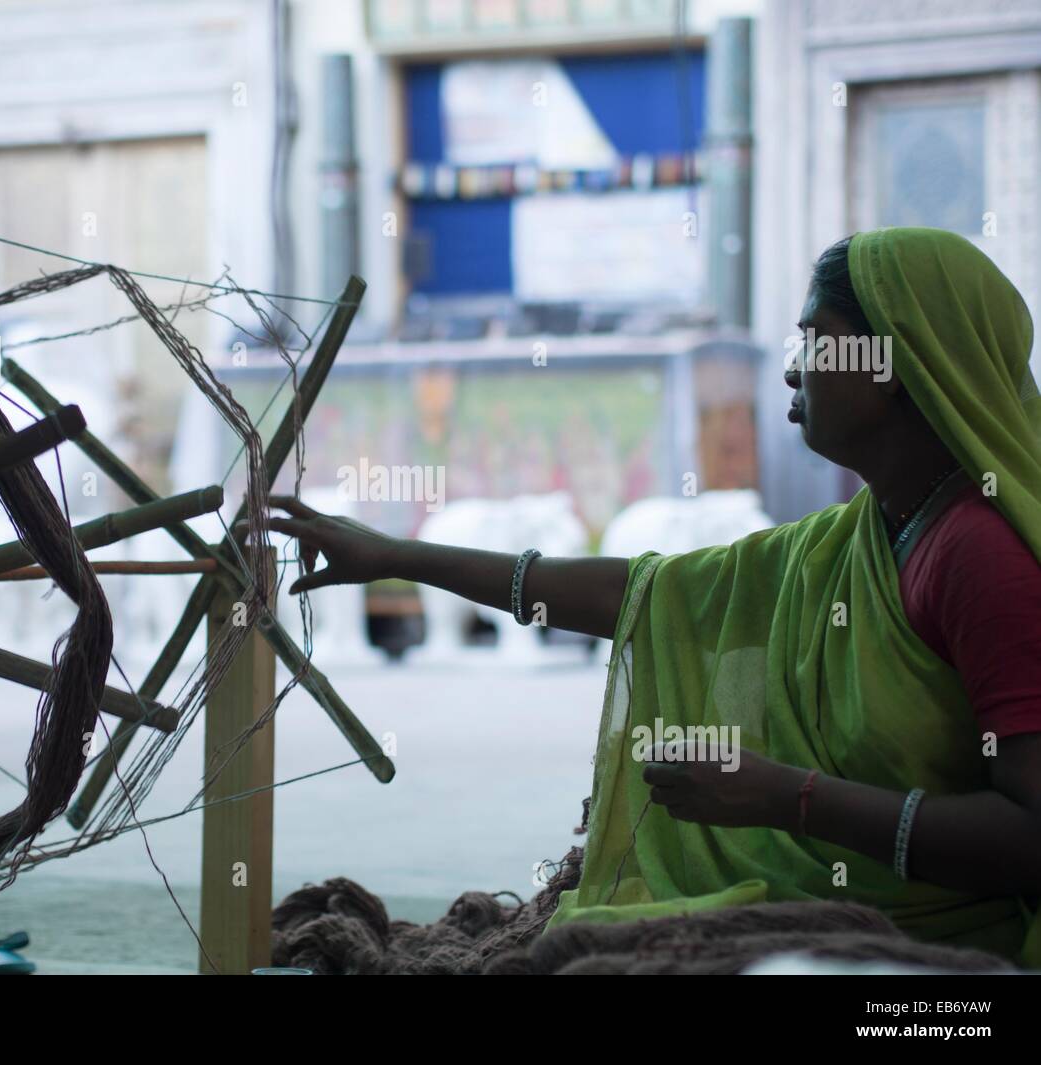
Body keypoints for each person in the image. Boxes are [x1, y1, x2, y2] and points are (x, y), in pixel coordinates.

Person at [255, 227, 1041, 966]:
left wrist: (786, 797)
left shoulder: (979, 555)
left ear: (894, 363)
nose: (794, 368)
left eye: (817, 338)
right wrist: (395, 555)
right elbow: (644, 593)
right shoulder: (872, 532)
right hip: (839, 909)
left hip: (927, 948)